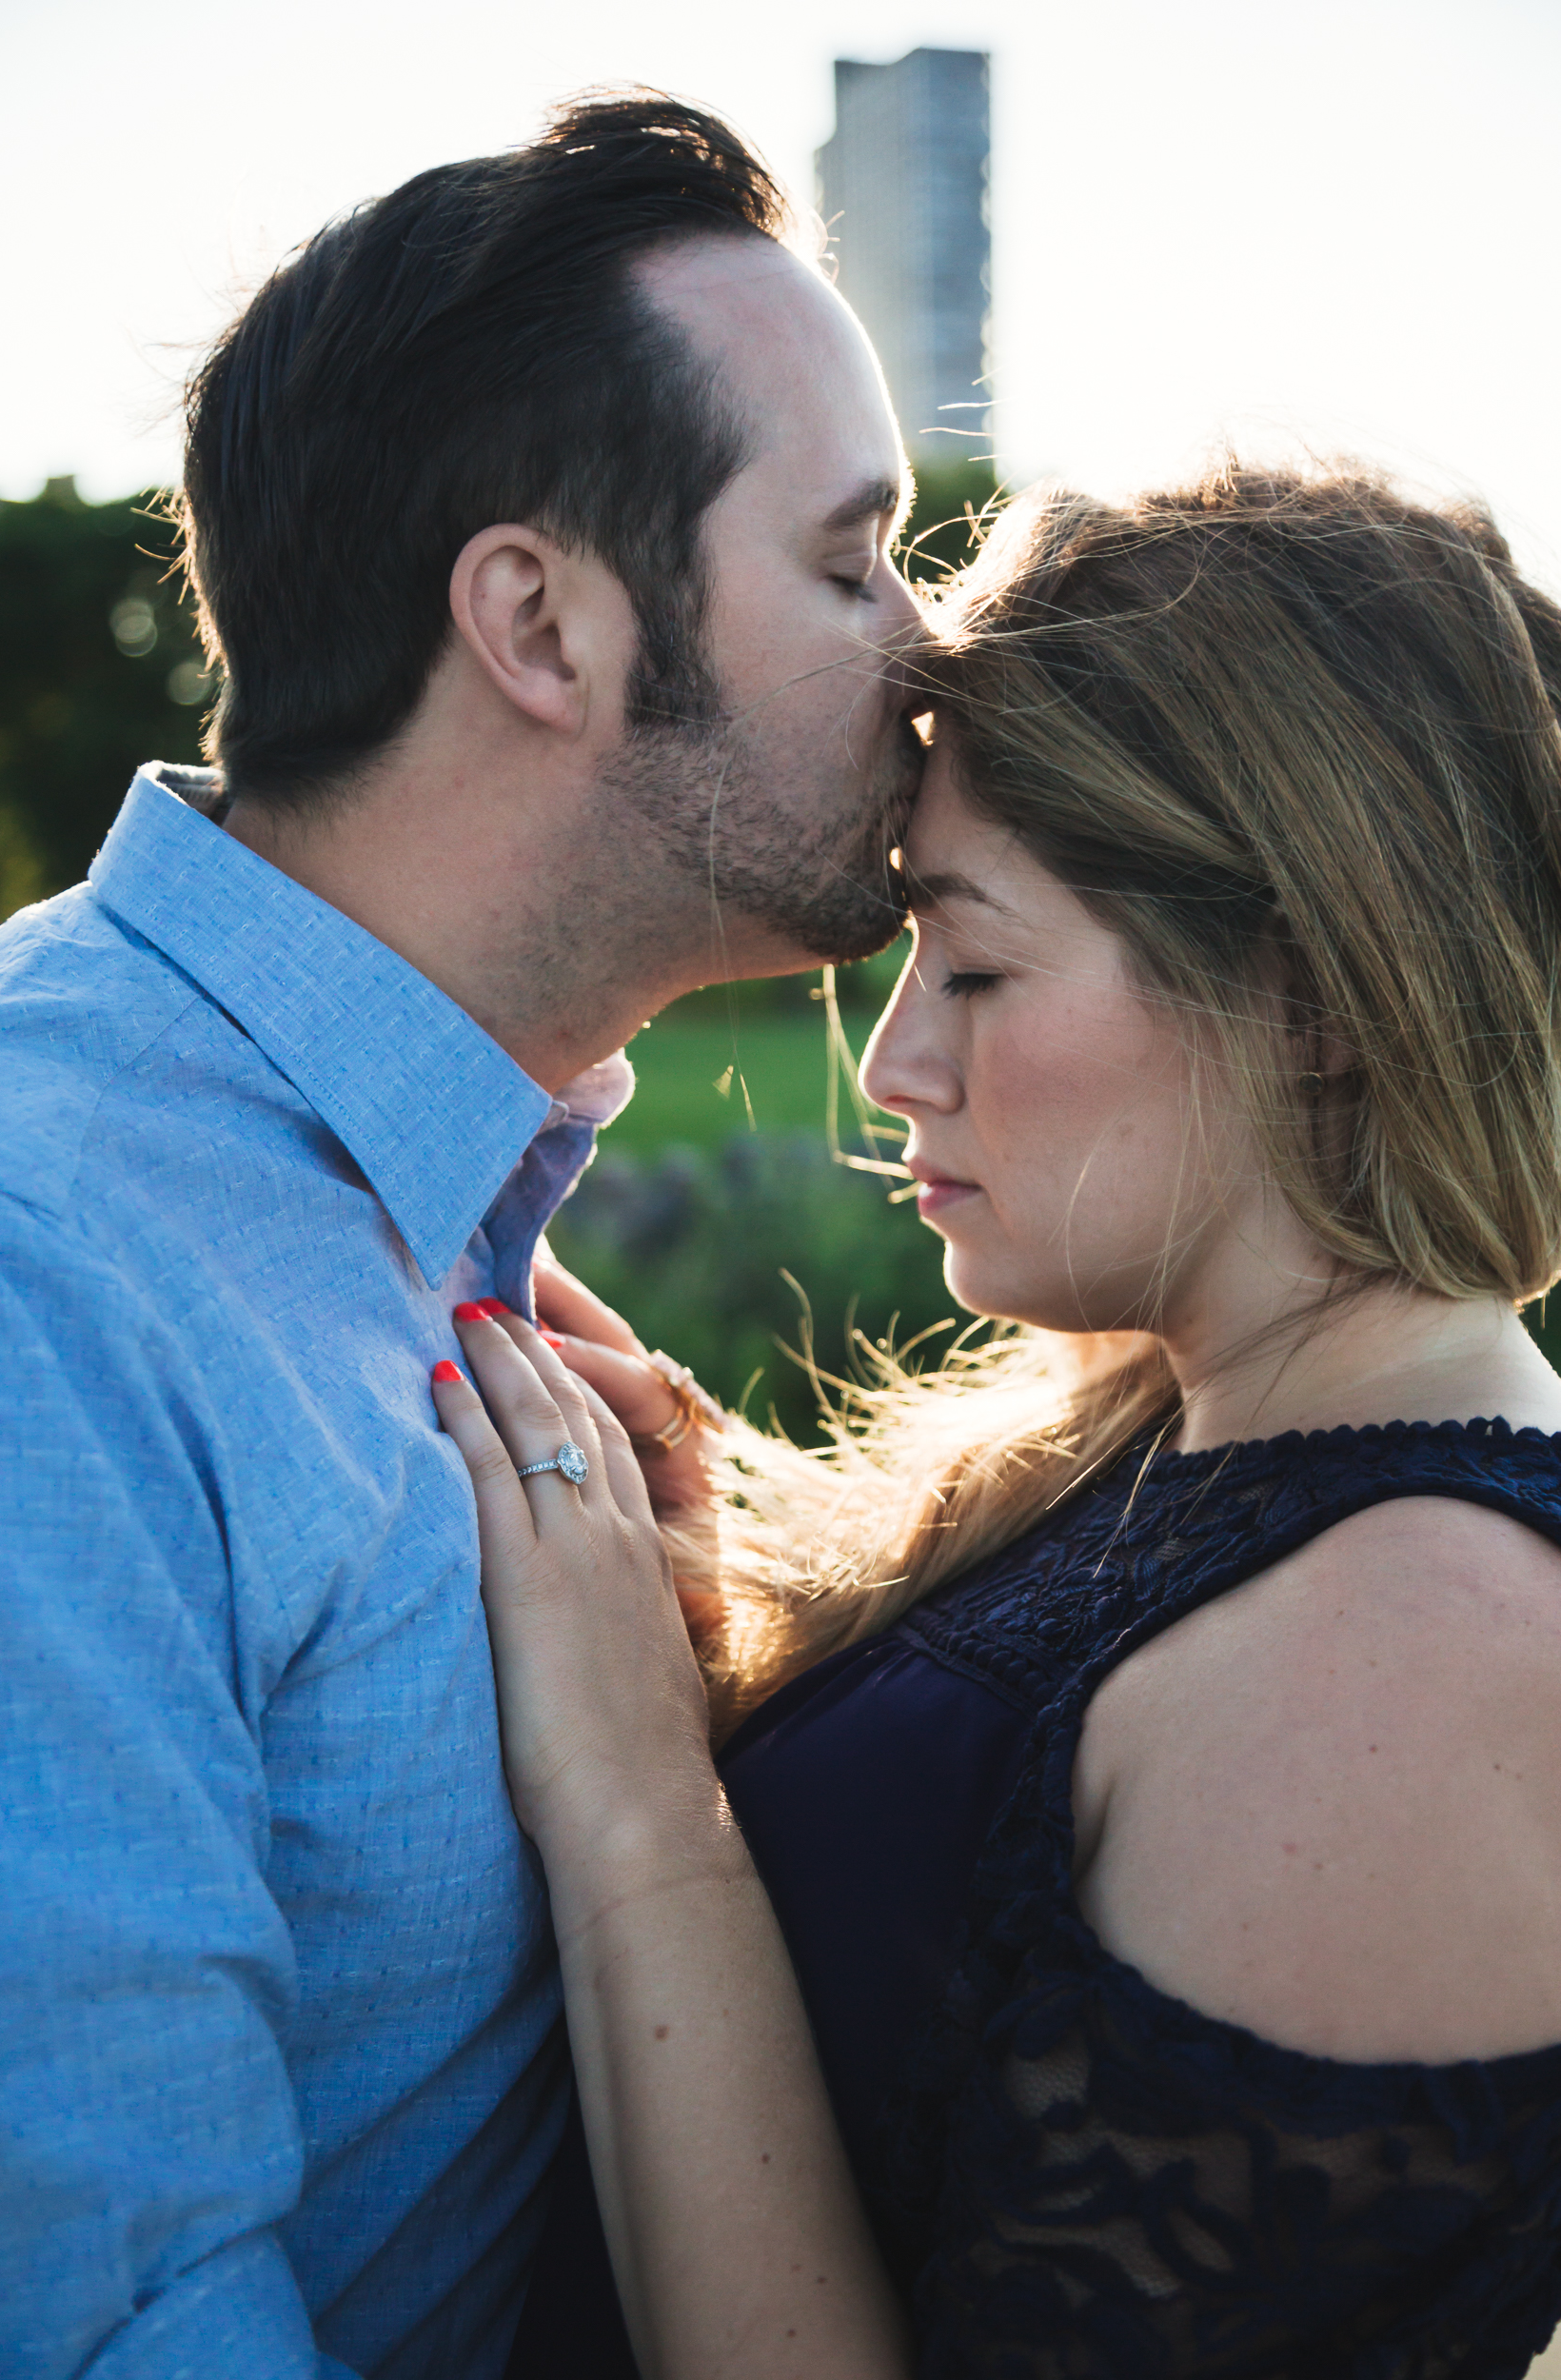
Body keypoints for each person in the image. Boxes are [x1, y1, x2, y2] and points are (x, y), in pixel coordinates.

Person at [0, 95, 923, 2377]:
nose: (932, 648)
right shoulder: (33, 1255)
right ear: (538, 622)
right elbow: (117, 2318)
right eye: (851, 559)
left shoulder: (428, 1200)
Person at [435, 463, 1561, 2378]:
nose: (895, 1061)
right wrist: (715, 1613)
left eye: (975, 963)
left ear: (1309, 1001)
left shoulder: (1435, 1637)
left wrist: (642, 1804)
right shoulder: (1199, 1437)